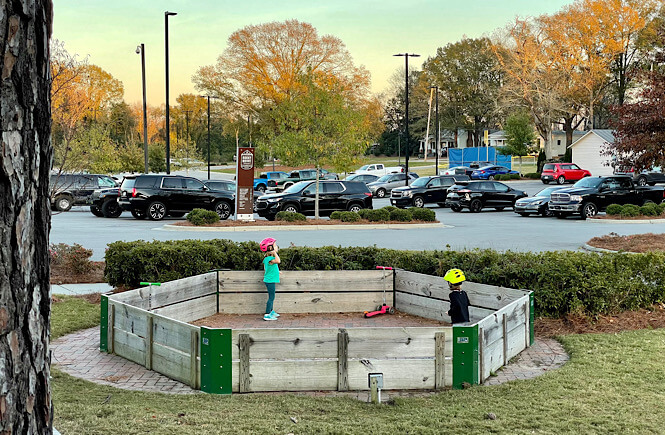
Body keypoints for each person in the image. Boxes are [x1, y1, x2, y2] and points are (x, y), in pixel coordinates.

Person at [260, 237, 280, 321]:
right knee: (271, 297)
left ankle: (271, 312)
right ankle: (267, 314)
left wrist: (277, 272)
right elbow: (278, 261)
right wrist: (275, 253)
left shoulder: (266, 259)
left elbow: (267, 269)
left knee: (272, 297)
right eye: (275, 246)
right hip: (270, 281)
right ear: (270, 248)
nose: (277, 247)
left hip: (269, 280)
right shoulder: (270, 259)